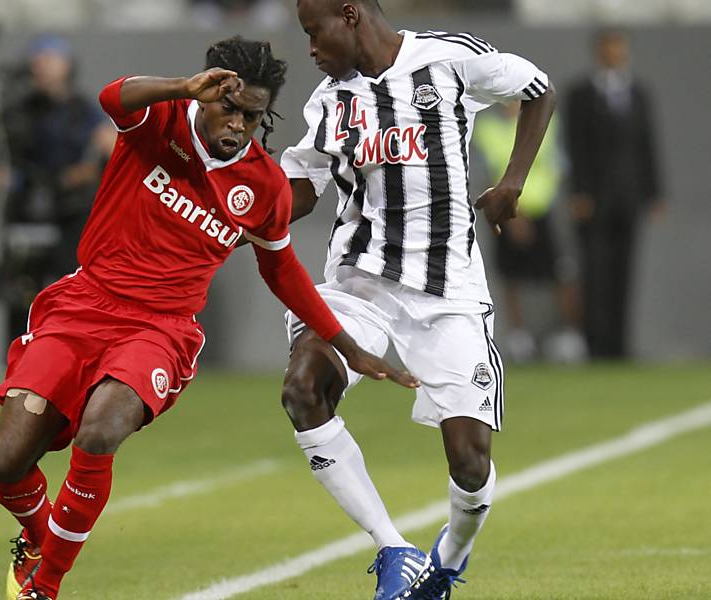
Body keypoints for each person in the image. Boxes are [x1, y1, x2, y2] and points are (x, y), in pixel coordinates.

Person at [0, 36, 417, 600]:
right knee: (7, 465)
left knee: (100, 430)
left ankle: (46, 587)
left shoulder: (263, 185)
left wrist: (347, 345)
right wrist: (182, 88)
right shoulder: (160, 121)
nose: (238, 124)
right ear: (207, 92)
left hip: (159, 331)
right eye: (228, 107)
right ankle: (41, 537)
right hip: (84, 306)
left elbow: (282, 270)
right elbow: (112, 97)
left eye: (252, 115)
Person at [280, 2, 555, 598]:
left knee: (470, 463)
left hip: (448, 293)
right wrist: (240, 191)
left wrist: (512, 182)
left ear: (349, 15)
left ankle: (449, 557)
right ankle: (394, 548)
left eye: (313, 31)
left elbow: (539, 89)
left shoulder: (449, 59)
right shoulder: (330, 100)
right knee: (303, 386)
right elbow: (302, 189)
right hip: (360, 286)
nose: (310, 48)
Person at [0, 35, 116, 348]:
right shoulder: (16, 113)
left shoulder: (83, 111)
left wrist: (92, 164)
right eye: (38, 60)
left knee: (70, 285)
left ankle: (68, 352)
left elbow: (109, 148)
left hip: (72, 210)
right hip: (26, 209)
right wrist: (1, 175)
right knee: (19, 293)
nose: (42, 67)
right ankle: (16, 361)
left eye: (50, 60)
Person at [564, 28, 663, 359]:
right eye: (609, 47)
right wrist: (578, 191)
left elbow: (647, 145)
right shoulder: (580, 94)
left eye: (619, 47)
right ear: (598, 51)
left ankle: (620, 346)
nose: (614, 53)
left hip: (629, 196)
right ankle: (596, 345)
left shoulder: (639, 93)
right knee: (594, 271)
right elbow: (573, 146)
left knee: (625, 271)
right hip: (593, 199)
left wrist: (654, 191)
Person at [473, 101, 585, 363]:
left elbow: (559, 165)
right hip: (509, 212)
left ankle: (571, 335)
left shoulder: (547, 122)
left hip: (545, 209)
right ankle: (519, 338)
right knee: (511, 275)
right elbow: (487, 173)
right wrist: (513, 216)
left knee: (562, 272)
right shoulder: (488, 130)